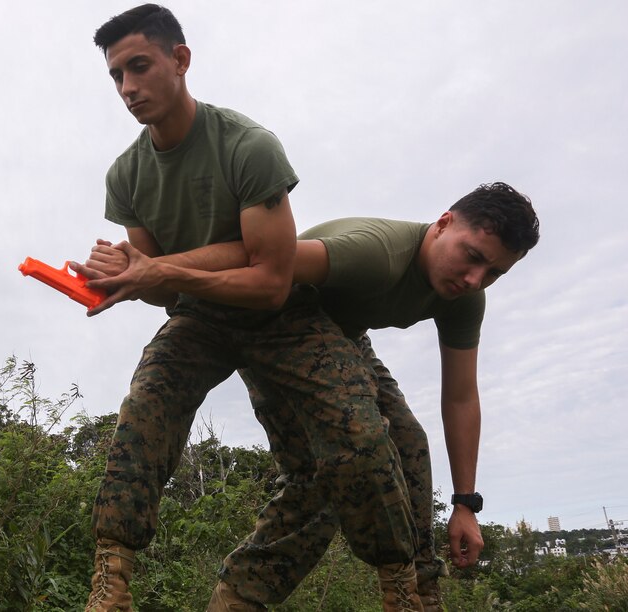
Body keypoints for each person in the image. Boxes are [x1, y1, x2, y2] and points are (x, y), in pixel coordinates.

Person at [81, 5, 422, 610]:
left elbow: (270, 279)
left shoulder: (248, 146)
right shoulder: (126, 175)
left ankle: (401, 584)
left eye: (139, 67)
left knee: (360, 434)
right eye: (115, 76)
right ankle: (111, 581)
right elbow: (163, 289)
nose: (128, 88)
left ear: (180, 61)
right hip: (200, 318)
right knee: (143, 410)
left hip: (284, 317)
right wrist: (126, 278)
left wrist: (157, 270)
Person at [83, 182, 540, 610]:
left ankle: (420, 594)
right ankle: (236, 597)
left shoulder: (465, 297)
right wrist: (149, 271)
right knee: (322, 477)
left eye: (494, 272)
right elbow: (263, 261)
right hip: (281, 318)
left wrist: (465, 503)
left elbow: (461, 397)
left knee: (407, 442)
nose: (475, 279)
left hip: (346, 338)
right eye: (472, 256)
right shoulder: (374, 254)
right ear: (443, 224)